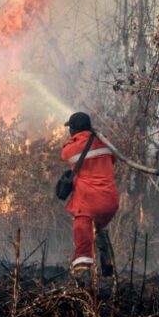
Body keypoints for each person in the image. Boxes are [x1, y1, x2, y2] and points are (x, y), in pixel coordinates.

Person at [61, 112, 120, 278]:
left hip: (87, 203)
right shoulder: (104, 142)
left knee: (83, 244)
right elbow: (113, 158)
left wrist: (77, 139)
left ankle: (84, 280)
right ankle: (108, 263)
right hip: (110, 202)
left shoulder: (72, 148)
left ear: (73, 130)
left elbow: (64, 154)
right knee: (98, 228)